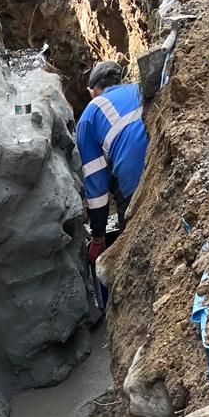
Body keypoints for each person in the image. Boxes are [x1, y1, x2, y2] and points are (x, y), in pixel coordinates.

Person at [76, 59, 148, 268]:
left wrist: (98, 237)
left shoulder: (89, 116)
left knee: (134, 249)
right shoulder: (138, 89)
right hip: (161, 166)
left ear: (93, 90)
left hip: (133, 181)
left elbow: (96, 186)